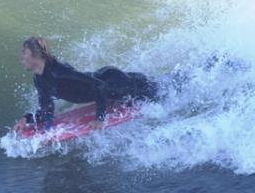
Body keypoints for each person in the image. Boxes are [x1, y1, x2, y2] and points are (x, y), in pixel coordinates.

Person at [13, 36, 160, 133]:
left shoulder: (59, 71)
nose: (21, 57)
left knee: (156, 91)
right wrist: (26, 119)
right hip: (108, 88)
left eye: (24, 52)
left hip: (114, 81)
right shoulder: (39, 79)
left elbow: (100, 85)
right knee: (149, 85)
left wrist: (100, 118)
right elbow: (46, 109)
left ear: (35, 55)